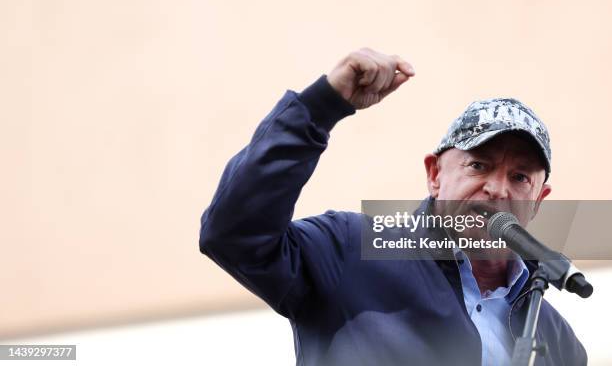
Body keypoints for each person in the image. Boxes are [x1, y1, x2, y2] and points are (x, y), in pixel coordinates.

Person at [199, 48, 587, 365]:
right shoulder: (350, 251)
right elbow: (235, 235)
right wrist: (320, 108)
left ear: (538, 201)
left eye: (520, 178)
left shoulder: (559, 344)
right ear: (434, 175)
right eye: (478, 165)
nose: (497, 188)